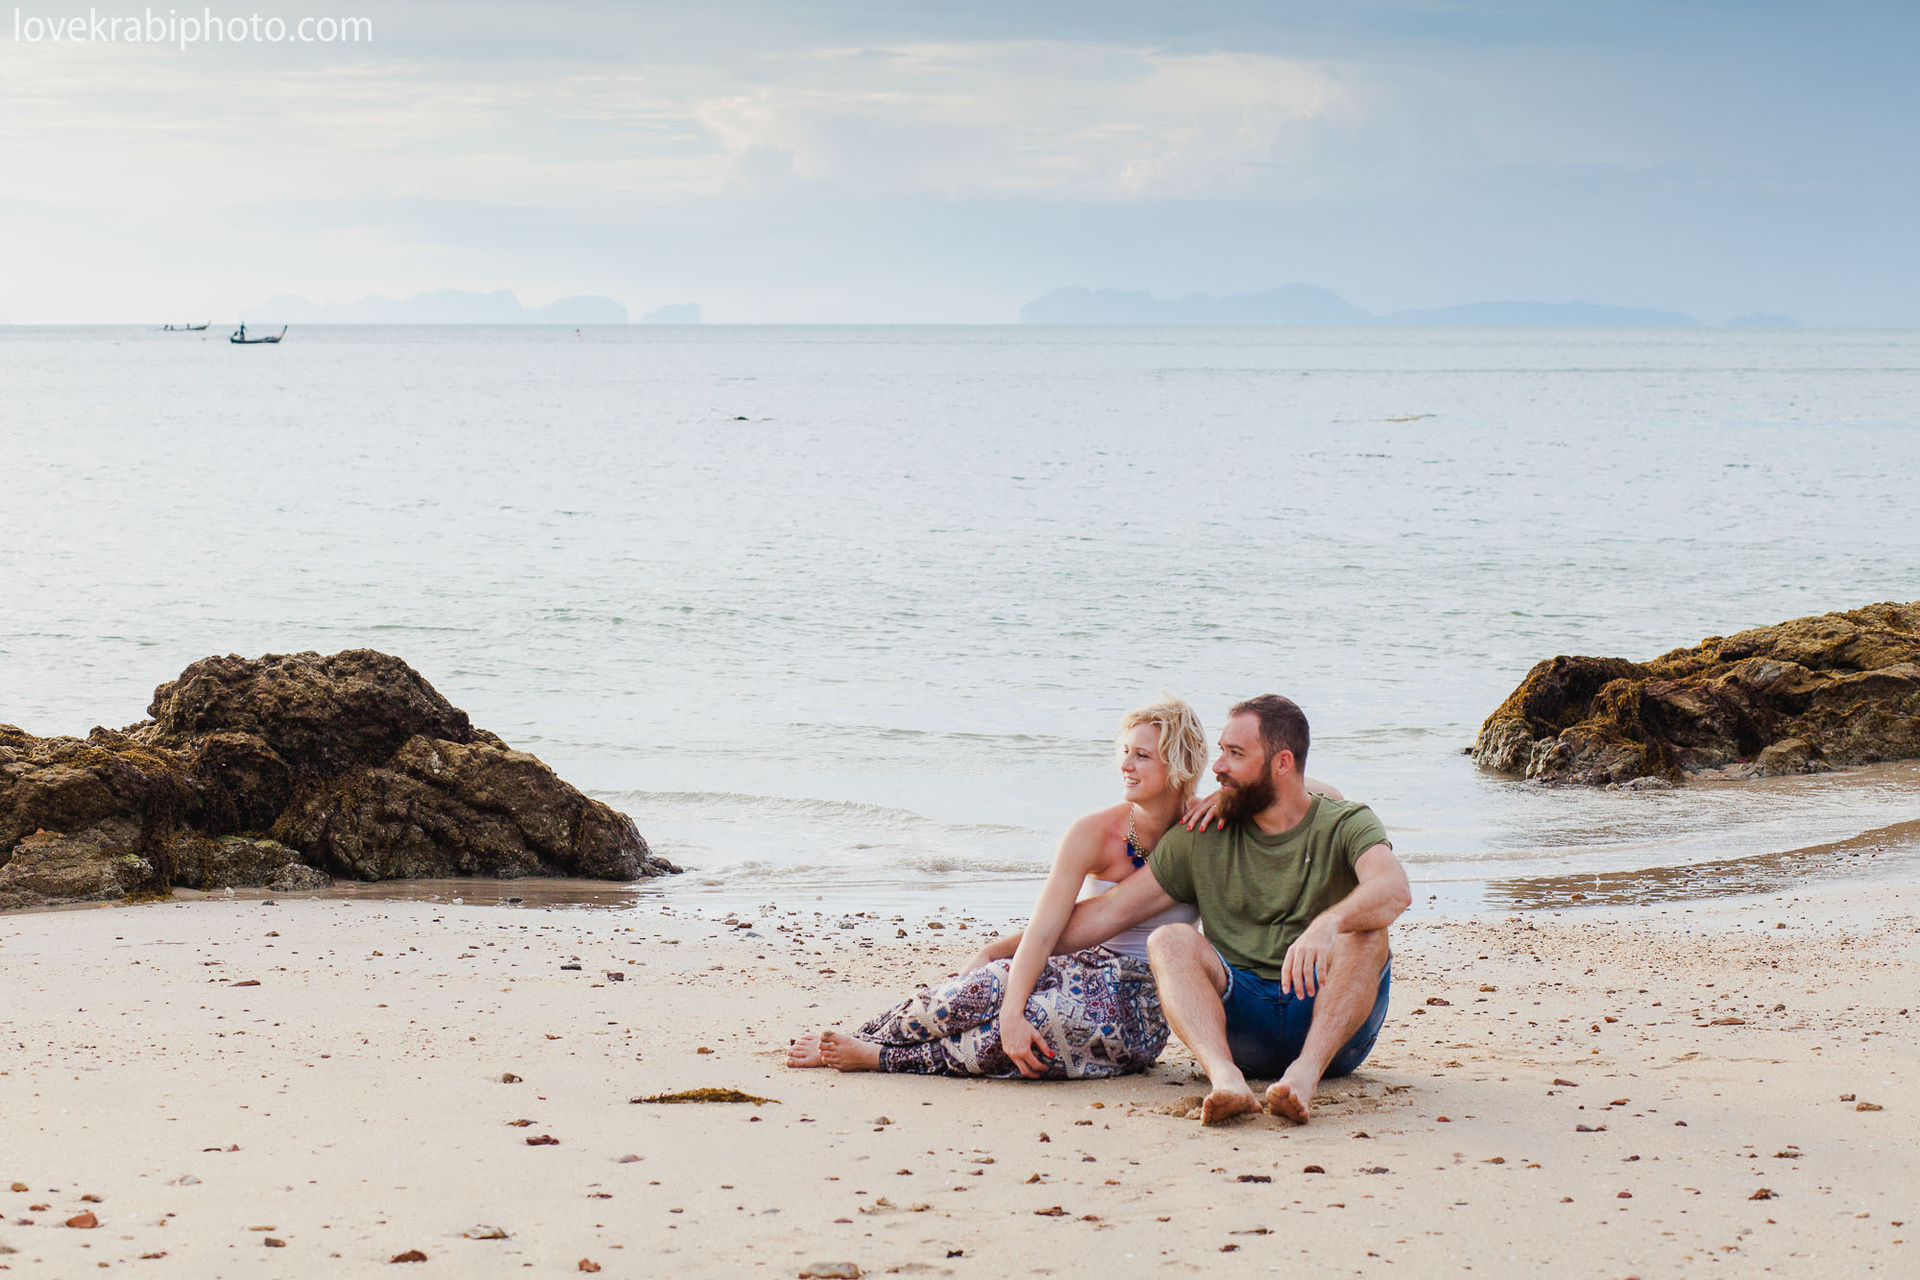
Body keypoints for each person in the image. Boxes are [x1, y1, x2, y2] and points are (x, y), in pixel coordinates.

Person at [1046, 694, 1411, 1124]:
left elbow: (1393, 888)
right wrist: (1005, 951)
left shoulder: (1345, 822)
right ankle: (1225, 1080)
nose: (1217, 766)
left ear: (1282, 763)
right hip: (1243, 1022)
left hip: (1333, 1031)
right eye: (1221, 751)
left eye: (1235, 754)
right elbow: (1106, 913)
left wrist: (1329, 923)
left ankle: (1304, 1075)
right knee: (1168, 940)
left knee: (1367, 930)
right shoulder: (1204, 832)